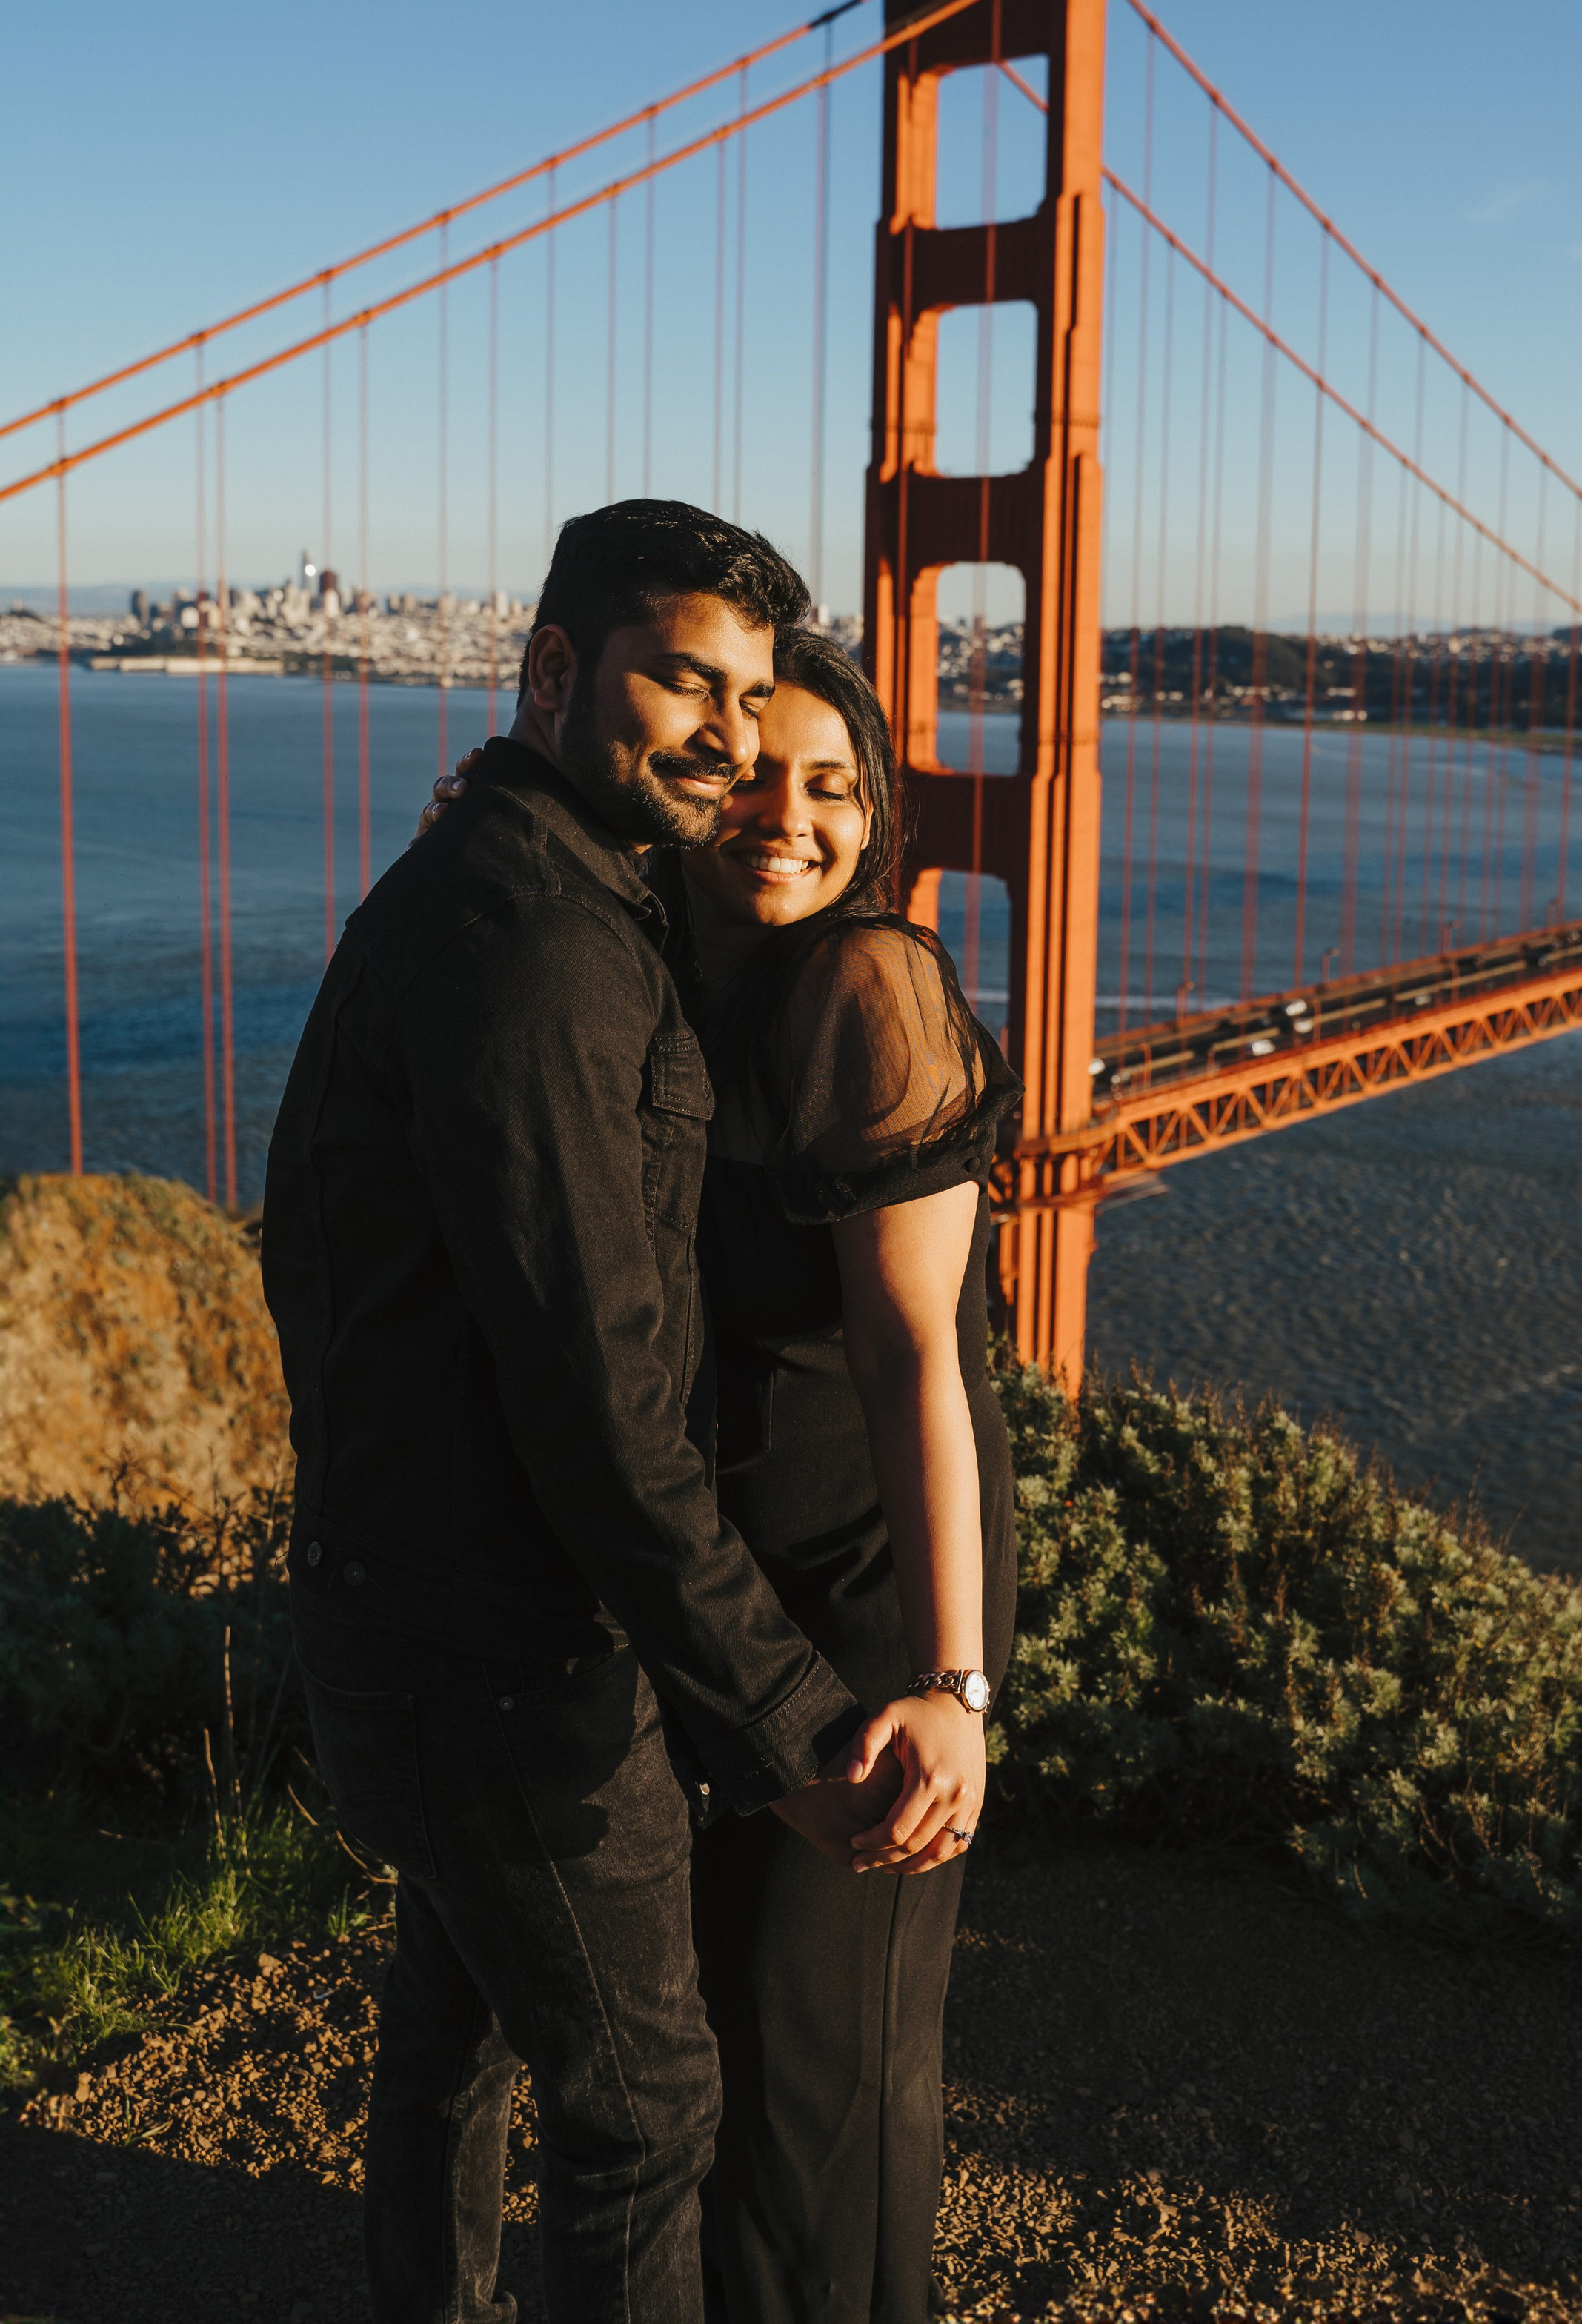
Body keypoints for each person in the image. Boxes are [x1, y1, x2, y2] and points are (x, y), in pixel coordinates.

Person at [263, 502, 955, 2324]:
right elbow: (598, 1405)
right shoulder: (541, 943)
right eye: (684, 681)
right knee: (644, 2105)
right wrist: (803, 1728)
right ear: (556, 670)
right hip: (510, 1658)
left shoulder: (539, 885)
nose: (729, 741)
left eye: (752, 696)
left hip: (407, 1609)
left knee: (457, 2041)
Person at [423, 626, 1018, 2324]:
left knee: (815, 2063)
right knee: (696, 2053)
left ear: (878, 819)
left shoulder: (868, 990)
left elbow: (920, 1361)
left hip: (866, 1583)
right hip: (707, 1592)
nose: (790, 820)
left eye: (834, 789)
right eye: (756, 776)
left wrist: (949, 1682)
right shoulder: (645, 961)